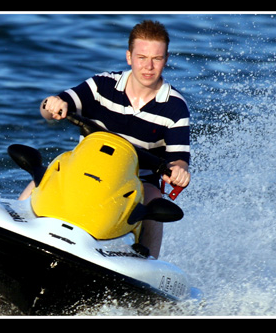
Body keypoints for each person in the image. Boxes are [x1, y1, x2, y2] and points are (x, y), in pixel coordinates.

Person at [18, 20, 190, 259]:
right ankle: (14, 224)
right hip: (84, 169)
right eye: (142, 57)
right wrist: (52, 104)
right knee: (52, 172)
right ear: (129, 57)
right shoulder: (101, 85)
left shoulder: (175, 107)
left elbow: (178, 161)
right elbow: (50, 108)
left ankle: (147, 262)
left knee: (154, 197)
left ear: (166, 59)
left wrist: (179, 171)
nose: (148, 66)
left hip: (136, 183)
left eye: (156, 59)